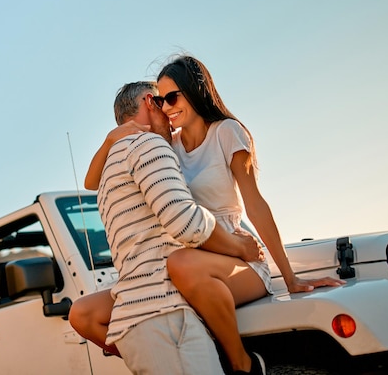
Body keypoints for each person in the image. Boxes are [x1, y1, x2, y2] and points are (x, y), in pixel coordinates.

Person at [72, 55, 346, 374]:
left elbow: (256, 205)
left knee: (182, 264)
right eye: (161, 100)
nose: (167, 107)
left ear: (194, 91)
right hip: (188, 261)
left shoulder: (226, 132)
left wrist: (290, 278)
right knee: (83, 313)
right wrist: (112, 138)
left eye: (172, 98)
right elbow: (92, 182)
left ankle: (241, 364)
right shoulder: (164, 144)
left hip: (236, 258)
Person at [84, 81, 262, 375]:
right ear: (149, 101)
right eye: (163, 101)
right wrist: (239, 246)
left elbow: (89, 183)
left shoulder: (108, 171)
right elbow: (186, 223)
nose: (170, 111)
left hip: (131, 319)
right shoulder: (150, 145)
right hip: (165, 312)